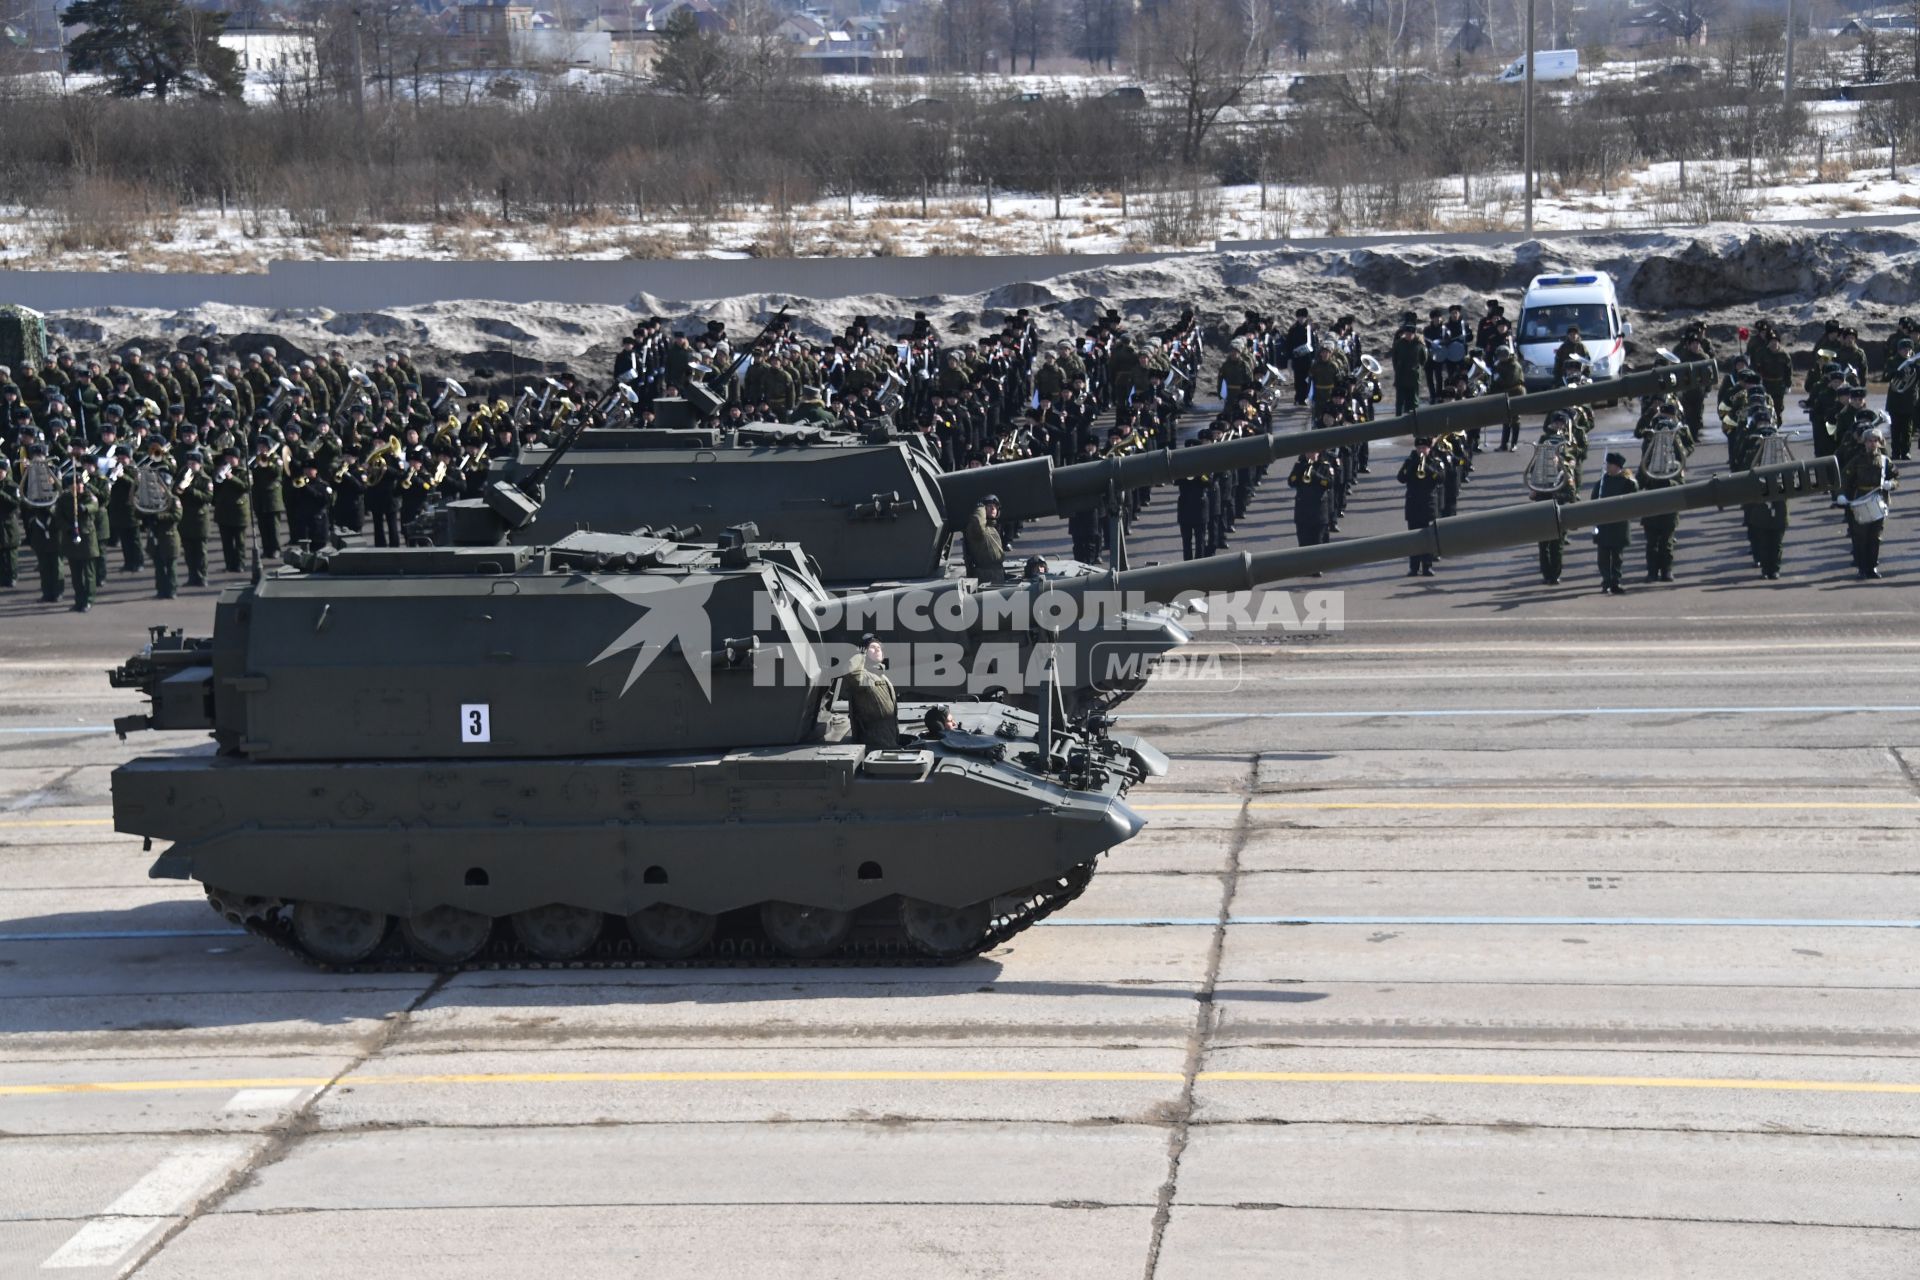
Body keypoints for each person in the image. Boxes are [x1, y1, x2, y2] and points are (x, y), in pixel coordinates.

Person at [1842, 430, 1898, 579]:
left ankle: (1872, 567)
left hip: (1878, 500)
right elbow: (1845, 479)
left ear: (1879, 442)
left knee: (1875, 537)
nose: (1872, 443)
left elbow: (1896, 478)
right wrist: (1842, 496)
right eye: (1869, 440)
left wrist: (1890, 484)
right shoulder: (1856, 460)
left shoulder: (1885, 461)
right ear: (1864, 442)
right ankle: (1862, 568)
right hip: (1860, 499)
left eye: (1875, 440)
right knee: (1861, 537)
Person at [1397, 437, 1445, 577]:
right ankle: (1413, 567)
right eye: (1419, 448)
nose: (1421, 451)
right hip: (1413, 504)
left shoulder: (1436, 462)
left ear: (1429, 449)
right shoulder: (1410, 461)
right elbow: (1401, 478)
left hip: (1428, 503)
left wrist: (1428, 468)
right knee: (1413, 537)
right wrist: (1412, 465)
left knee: (1428, 537)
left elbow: (1441, 478)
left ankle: (1427, 566)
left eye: (1424, 448)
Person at [1592, 452, 1638, 594]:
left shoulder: (1626, 481)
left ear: (1617, 466)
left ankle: (1615, 582)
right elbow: (1594, 499)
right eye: (1607, 464)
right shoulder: (1602, 481)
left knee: (1617, 557)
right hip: (1604, 523)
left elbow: (1634, 495)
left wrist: (1632, 480)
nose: (1607, 467)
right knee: (1603, 557)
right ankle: (1606, 581)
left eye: (1610, 464)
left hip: (1618, 523)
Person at [845, 634, 900, 749]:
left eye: (879, 647)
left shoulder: (883, 677)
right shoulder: (863, 676)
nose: (878, 649)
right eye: (873, 647)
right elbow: (852, 673)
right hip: (873, 743)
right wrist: (860, 654)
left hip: (890, 739)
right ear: (864, 652)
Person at [176, 449, 214, 586]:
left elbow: (208, 497)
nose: (190, 466)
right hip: (185, 519)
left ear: (200, 464)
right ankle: (192, 577)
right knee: (189, 552)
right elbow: (176, 491)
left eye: (194, 463)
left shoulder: (206, 479)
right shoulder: (182, 475)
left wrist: (191, 490)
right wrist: (180, 486)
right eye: (189, 463)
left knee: (200, 552)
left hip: (199, 520)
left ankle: (202, 576)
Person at [1287, 448, 1336, 557]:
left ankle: (1317, 566)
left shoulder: (1325, 466)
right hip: (1303, 511)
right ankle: (1306, 565)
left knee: (1318, 541)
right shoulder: (1299, 465)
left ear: (1318, 453)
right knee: (1304, 542)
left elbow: (1329, 483)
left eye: (1313, 452)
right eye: (1308, 452)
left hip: (1319, 512)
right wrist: (1299, 471)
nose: (1310, 455)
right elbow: (1291, 482)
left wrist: (1315, 475)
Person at [212, 448, 251, 573]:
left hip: (238, 511)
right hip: (223, 511)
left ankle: (240, 564)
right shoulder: (221, 470)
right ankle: (229, 565)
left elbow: (246, 487)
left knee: (239, 541)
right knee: (226, 542)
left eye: (231, 458)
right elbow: (215, 488)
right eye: (227, 458)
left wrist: (232, 477)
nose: (228, 460)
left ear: (237, 459)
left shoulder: (244, 472)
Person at [964, 495, 1006, 584]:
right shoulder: (974, 527)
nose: (993, 509)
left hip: (998, 572)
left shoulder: (992, 528)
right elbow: (978, 526)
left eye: (995, 507)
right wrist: (980, 508)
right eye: (989, 506)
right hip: (985, 575)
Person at [0, 456, 18, 590]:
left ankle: (12, 577)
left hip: (8, 522)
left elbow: (16, 504)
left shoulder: (12, 486)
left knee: (10, 553)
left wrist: (2, 494)